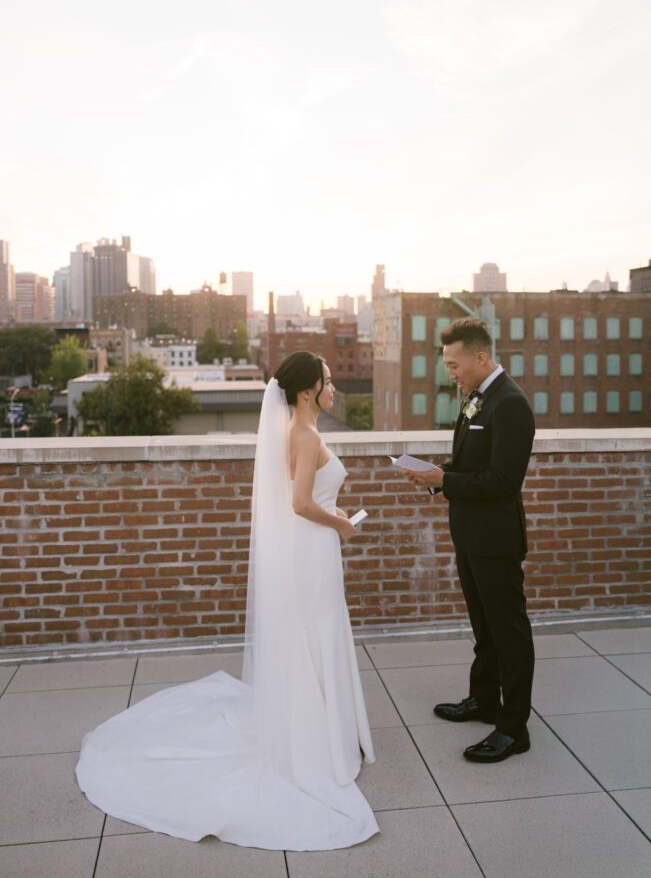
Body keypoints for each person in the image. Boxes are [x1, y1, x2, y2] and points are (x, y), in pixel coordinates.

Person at [75, 351, 379, 850]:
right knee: (317, 629)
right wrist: (341, 522)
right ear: (308, 392)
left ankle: (327, 727)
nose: (333, 387)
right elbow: (300, 504)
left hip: (311, 549)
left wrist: (333, 509)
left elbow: (304, 498)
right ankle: (320, 739)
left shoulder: (294, 435)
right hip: (314, 551)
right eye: (327, 381)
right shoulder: (305, 435)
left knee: (315, 629)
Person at [405, 318, 536, 763]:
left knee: (509, 633)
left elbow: (503, 479)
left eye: (455, 364)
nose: (450, 373)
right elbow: (467, 462)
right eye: (447, 365)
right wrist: (436, 476)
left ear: (481, 358)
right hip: (469, 533)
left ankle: (514, 728)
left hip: (496, 539)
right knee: (484, 629)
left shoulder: (510, 404)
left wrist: (448, 480)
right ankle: (483, 699)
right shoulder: (475, 398)